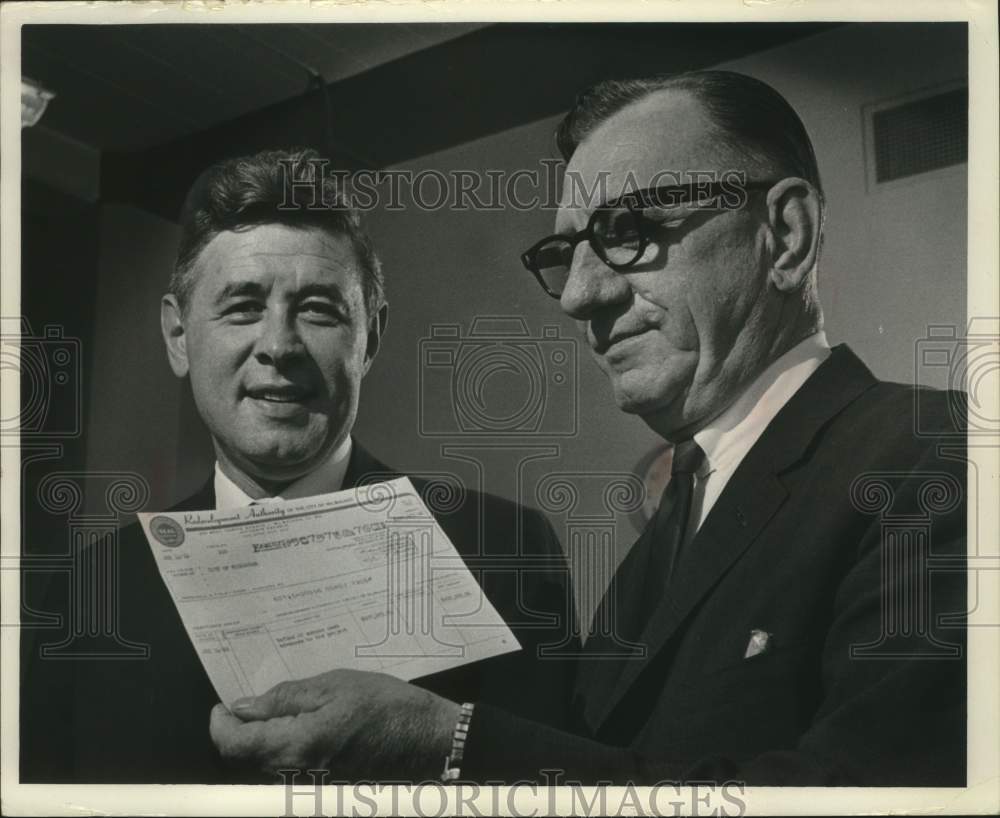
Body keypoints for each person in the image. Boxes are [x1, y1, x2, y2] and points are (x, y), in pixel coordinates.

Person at [206, 71, 967, 787]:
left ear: (786, 233)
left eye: (628, 230)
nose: (578, 294)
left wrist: (455, 744)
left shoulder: (936, 454)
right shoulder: (667, 538)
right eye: (567, 252)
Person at [20, 148, 572, 784]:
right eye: (242, 306)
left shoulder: (506, 549)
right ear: (178, 336)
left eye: (318, 309)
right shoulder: (91, 587)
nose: (279, 346)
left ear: (372, 339)